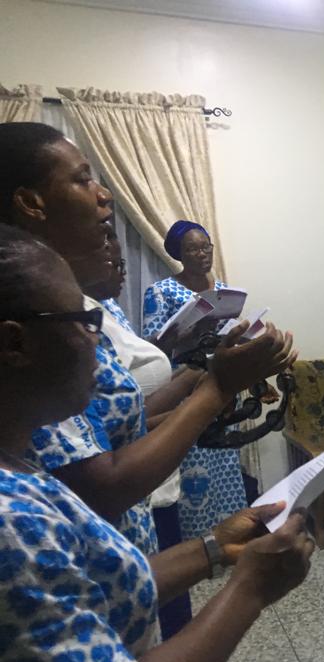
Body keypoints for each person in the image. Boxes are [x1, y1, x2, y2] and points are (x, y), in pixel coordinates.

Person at [0, 225, 314, 662]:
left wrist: (214, 548)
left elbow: (102, 586)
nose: (101, 343)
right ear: (15, 343)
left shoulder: (25, 468)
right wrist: (249, 588)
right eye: (84, 322)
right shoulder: (10, 522)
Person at [0, 121, 295, 558]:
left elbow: (119, 424)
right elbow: (101, 485)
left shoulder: (79, 305)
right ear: (30, 202)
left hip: (132, 550)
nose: (104, 194)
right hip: (92, 562)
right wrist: (216, 386)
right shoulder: (41, 324)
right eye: (83, 179)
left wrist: (208, 374)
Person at [92, 232, 195, 637]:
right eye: (111, 262)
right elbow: (118, 428)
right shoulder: (75, 319)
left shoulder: (108, 306)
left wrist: (197, 382)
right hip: (129, 484)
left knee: (167, 618)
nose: (119, 271)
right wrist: (205, 394)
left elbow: (132, 410)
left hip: (152, 479)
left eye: (121, 266)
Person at [141, 221, 252, 540]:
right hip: (182, 385)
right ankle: (194, 543)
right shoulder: (161, 291)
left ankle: (229, 534)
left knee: (223, 458)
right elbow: (150, 348)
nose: (202, 254)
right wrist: (184, 335)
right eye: (193, 248)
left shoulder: (224, 290)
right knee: (192, 460)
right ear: (178, 253)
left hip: (221, 380)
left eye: (206, 247)